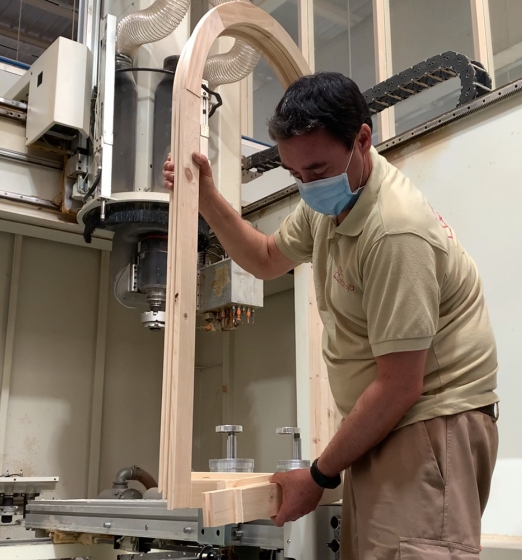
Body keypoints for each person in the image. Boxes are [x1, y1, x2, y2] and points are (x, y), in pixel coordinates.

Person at [163, 72, 499, 560]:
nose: (306, 185)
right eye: (294, 175)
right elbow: (263, 258)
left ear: (362, 138)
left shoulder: (395, 232)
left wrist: (319, 474)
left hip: (429, 422)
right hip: (393, 424)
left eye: (316, 171)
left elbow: (401, 385)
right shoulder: (329, 204)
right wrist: (208, 201)